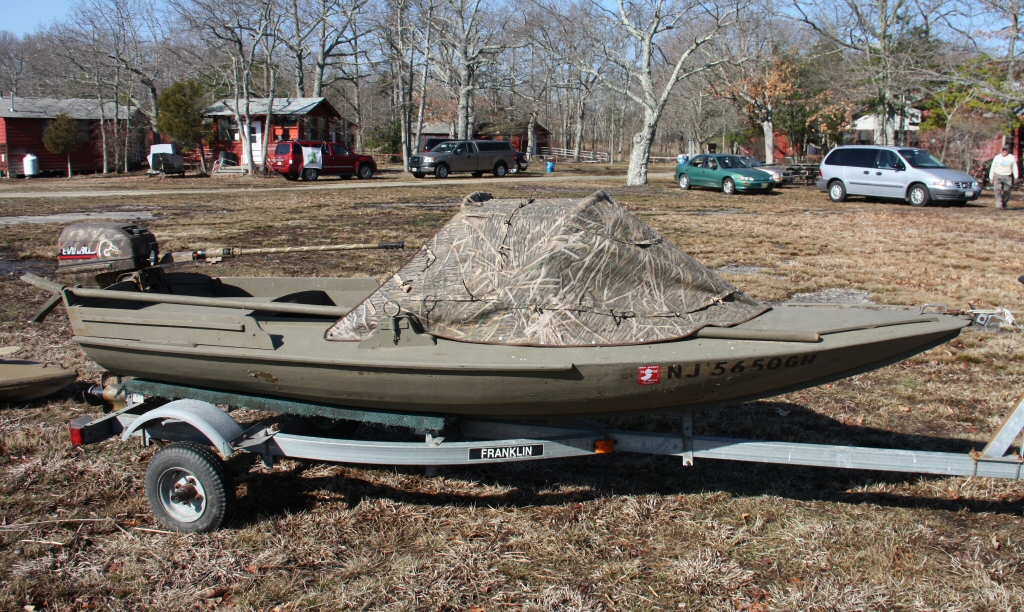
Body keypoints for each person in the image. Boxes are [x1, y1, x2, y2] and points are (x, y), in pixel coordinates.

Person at [989, 145, 1019, 209]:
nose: (1004, 151)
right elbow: (993, 167)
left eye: (1006, 150)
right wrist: (991, 177)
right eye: (1003, 150)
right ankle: (999, 205)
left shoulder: (1011, 157)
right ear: (1001, 150)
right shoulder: (997, 157)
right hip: (997, 175)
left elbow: (1014, 167)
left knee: (1007, 191)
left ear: (1008, 151)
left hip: (1008, 176)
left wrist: (1016, 176)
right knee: (998, 191)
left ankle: (1004, 203)